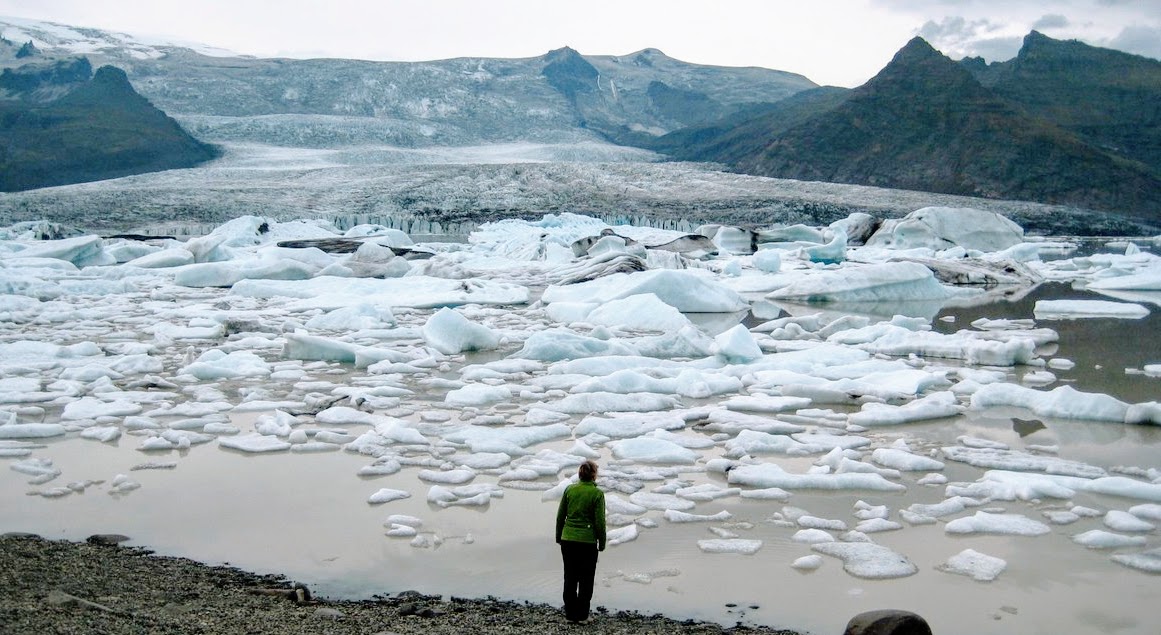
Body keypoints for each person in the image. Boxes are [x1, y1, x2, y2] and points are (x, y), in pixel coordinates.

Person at [555, 459, 606, 623]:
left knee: (570, 577)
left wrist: (559, 537)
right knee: (586, 579)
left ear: (580, 474)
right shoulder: (597, 494)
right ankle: (582, 615)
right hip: (587, 542)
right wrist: (602, 542)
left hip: (568, 539)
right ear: (594, 476)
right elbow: (600, 522)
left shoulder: (570, 490)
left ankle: (570, 614)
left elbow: (560, 516)